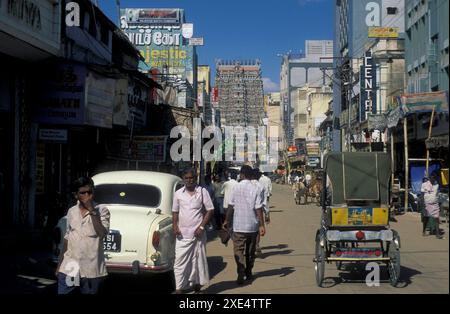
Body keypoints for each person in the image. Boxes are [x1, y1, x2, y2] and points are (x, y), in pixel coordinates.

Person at [55, 176, 110, 294]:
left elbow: (101, 233)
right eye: (83, 193)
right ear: (76, 195)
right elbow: (67, 239)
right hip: (71, 266)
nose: (87, 196)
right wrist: (60, 265)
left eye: (89, 192)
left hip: (91, 269)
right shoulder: (72, 211)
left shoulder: (102, 210)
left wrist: (91, 210)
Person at [172, 168, 215, 293]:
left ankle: (197, 286)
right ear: (183, 179)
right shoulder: (178, 193)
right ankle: (179, 288)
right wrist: (174, 226)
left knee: (197, 261)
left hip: (198, 234)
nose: (189, 180)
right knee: (179, 262)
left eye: (191, 178)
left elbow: (210, 210)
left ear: (195, 179)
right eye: (187, 178)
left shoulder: (202, 192)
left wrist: (201, 226)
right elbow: (175, 212)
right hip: (182, 235)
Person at [223, 165, 266, 285]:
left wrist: (226, 220)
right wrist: (262, 225)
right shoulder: (256, 188)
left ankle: (241, 270)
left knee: (239, 250)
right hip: (252, 226)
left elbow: (231, 206)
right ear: (251, 175)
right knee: (250, 251)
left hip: (238, 226)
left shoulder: (235, 187)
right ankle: (249, 271)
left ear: (241, 174)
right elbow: (259, 208)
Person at [421, 174, 443, 239]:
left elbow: (437, 194)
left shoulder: (437, 185)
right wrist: (423, 204)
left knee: (436, 218)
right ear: (429, 178)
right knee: (426, 218)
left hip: (435, 204)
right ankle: (423, 231)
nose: (432, 179)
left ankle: (437, 234)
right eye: (431, 178)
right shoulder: (424, 184)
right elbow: (422, 194)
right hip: (426, 204)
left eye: (434, 178)